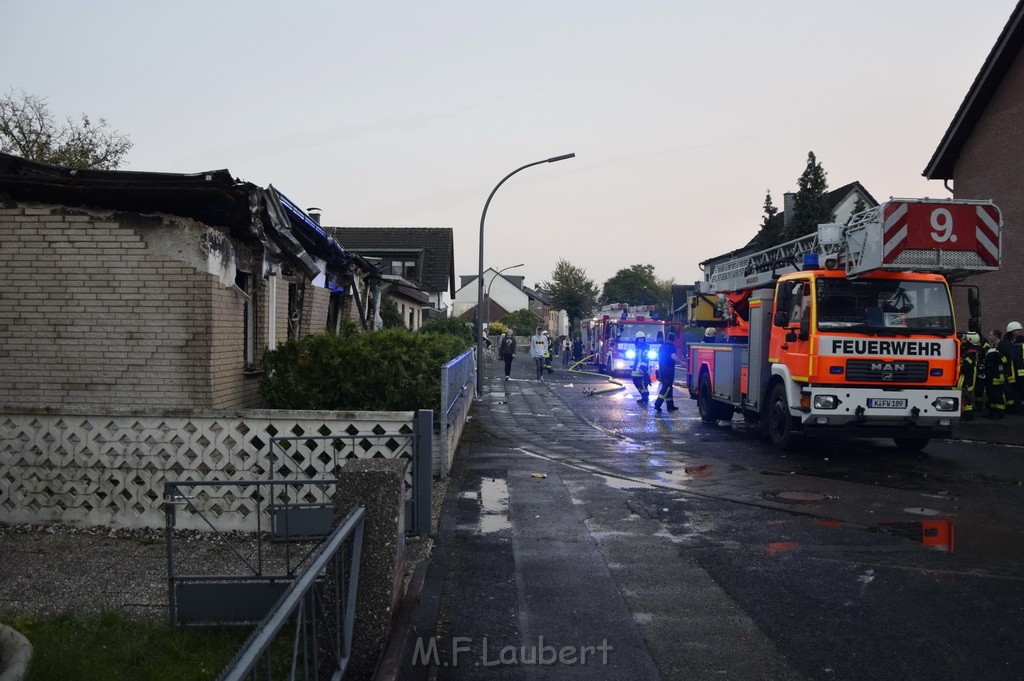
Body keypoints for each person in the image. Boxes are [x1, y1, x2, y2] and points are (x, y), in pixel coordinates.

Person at [654, 332, 680, 412]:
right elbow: (673, 356)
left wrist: (658, 371)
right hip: (669, 370)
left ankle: (670, 405)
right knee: (667, 387)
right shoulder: (672, 346)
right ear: (674, 339)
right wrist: (682, 363)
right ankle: (657, 404)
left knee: (669, 387)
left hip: (662, 369)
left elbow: (658, 358)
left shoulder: (662, 346)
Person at [958, 332, 981, 420]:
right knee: (966, 396)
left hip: (968, 378)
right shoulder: (970, 350)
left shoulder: (971, 353)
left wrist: (960, 367)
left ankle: (968, 415)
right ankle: (966, 414)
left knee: (967, 396)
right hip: (968, 377)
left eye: (966, 338)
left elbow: (967, 366)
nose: (964, 339)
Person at [631, 331, 652, 405]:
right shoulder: (637, 347)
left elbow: (645, 358)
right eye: (639, 339)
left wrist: (642, 368)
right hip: (636, 369)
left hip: (643, 369)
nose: (640, 340)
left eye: (642, 338)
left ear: (644, 339)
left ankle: (645, 397)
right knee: (635, 382)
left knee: (643, 384)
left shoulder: (645, 347)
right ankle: (644, 396)